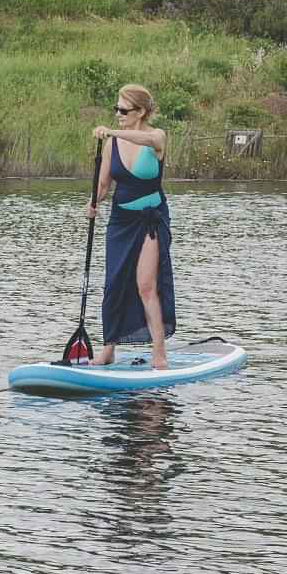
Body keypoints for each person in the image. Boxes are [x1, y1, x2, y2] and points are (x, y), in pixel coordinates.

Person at [85, 83, 176, 370]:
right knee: (114, 283)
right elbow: (102, 184)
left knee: (146, 285)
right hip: (121, 220)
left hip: (151, 218)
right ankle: (108, 349)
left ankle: (159, 351)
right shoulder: (113, 144)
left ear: (141, 112)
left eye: (124, 110)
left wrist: (112, 131)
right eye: (116, 109)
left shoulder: (157, 137)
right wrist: (93, 203)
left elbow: (145, 140)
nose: (118, 115)